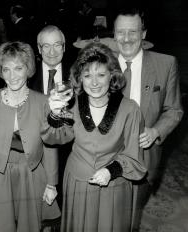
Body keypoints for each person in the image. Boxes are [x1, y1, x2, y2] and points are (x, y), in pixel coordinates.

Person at [41, 42, 147, 232]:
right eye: (87, 75)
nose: (94, 82)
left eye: (101, 74)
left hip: (114, 187)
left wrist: (111, 171)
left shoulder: (130, 109)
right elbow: (52, 139)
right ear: (79, 78)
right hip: (77, 184)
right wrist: (55, 113)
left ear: (112, 75)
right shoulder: (70, 104)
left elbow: (135, 157)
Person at [0, 41, 61, 232]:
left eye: (18, 68)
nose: (12, 75)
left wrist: (51, 183)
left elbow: (50, 145)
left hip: (32, 174)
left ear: (29, 69)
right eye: (6, 69)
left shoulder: (43, 101)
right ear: (0, 71)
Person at [113, 7, 183, 230]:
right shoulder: (101, 65)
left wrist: (156, 131)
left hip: (144, 158)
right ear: (113, 34)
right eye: (120, 32)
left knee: (131, 217)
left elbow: (174, 110)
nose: (126, 39)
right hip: (103, 157)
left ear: (143, 34)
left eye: (132, 32)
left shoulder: (166, 64)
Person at [28, 25, 72, 207]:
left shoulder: (77, 74)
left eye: (57, 45)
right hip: (36, 151)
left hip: (69, 151)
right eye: (46, 46)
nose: (52, 51)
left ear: (64, 46)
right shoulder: (27, 76)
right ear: (39, 49)